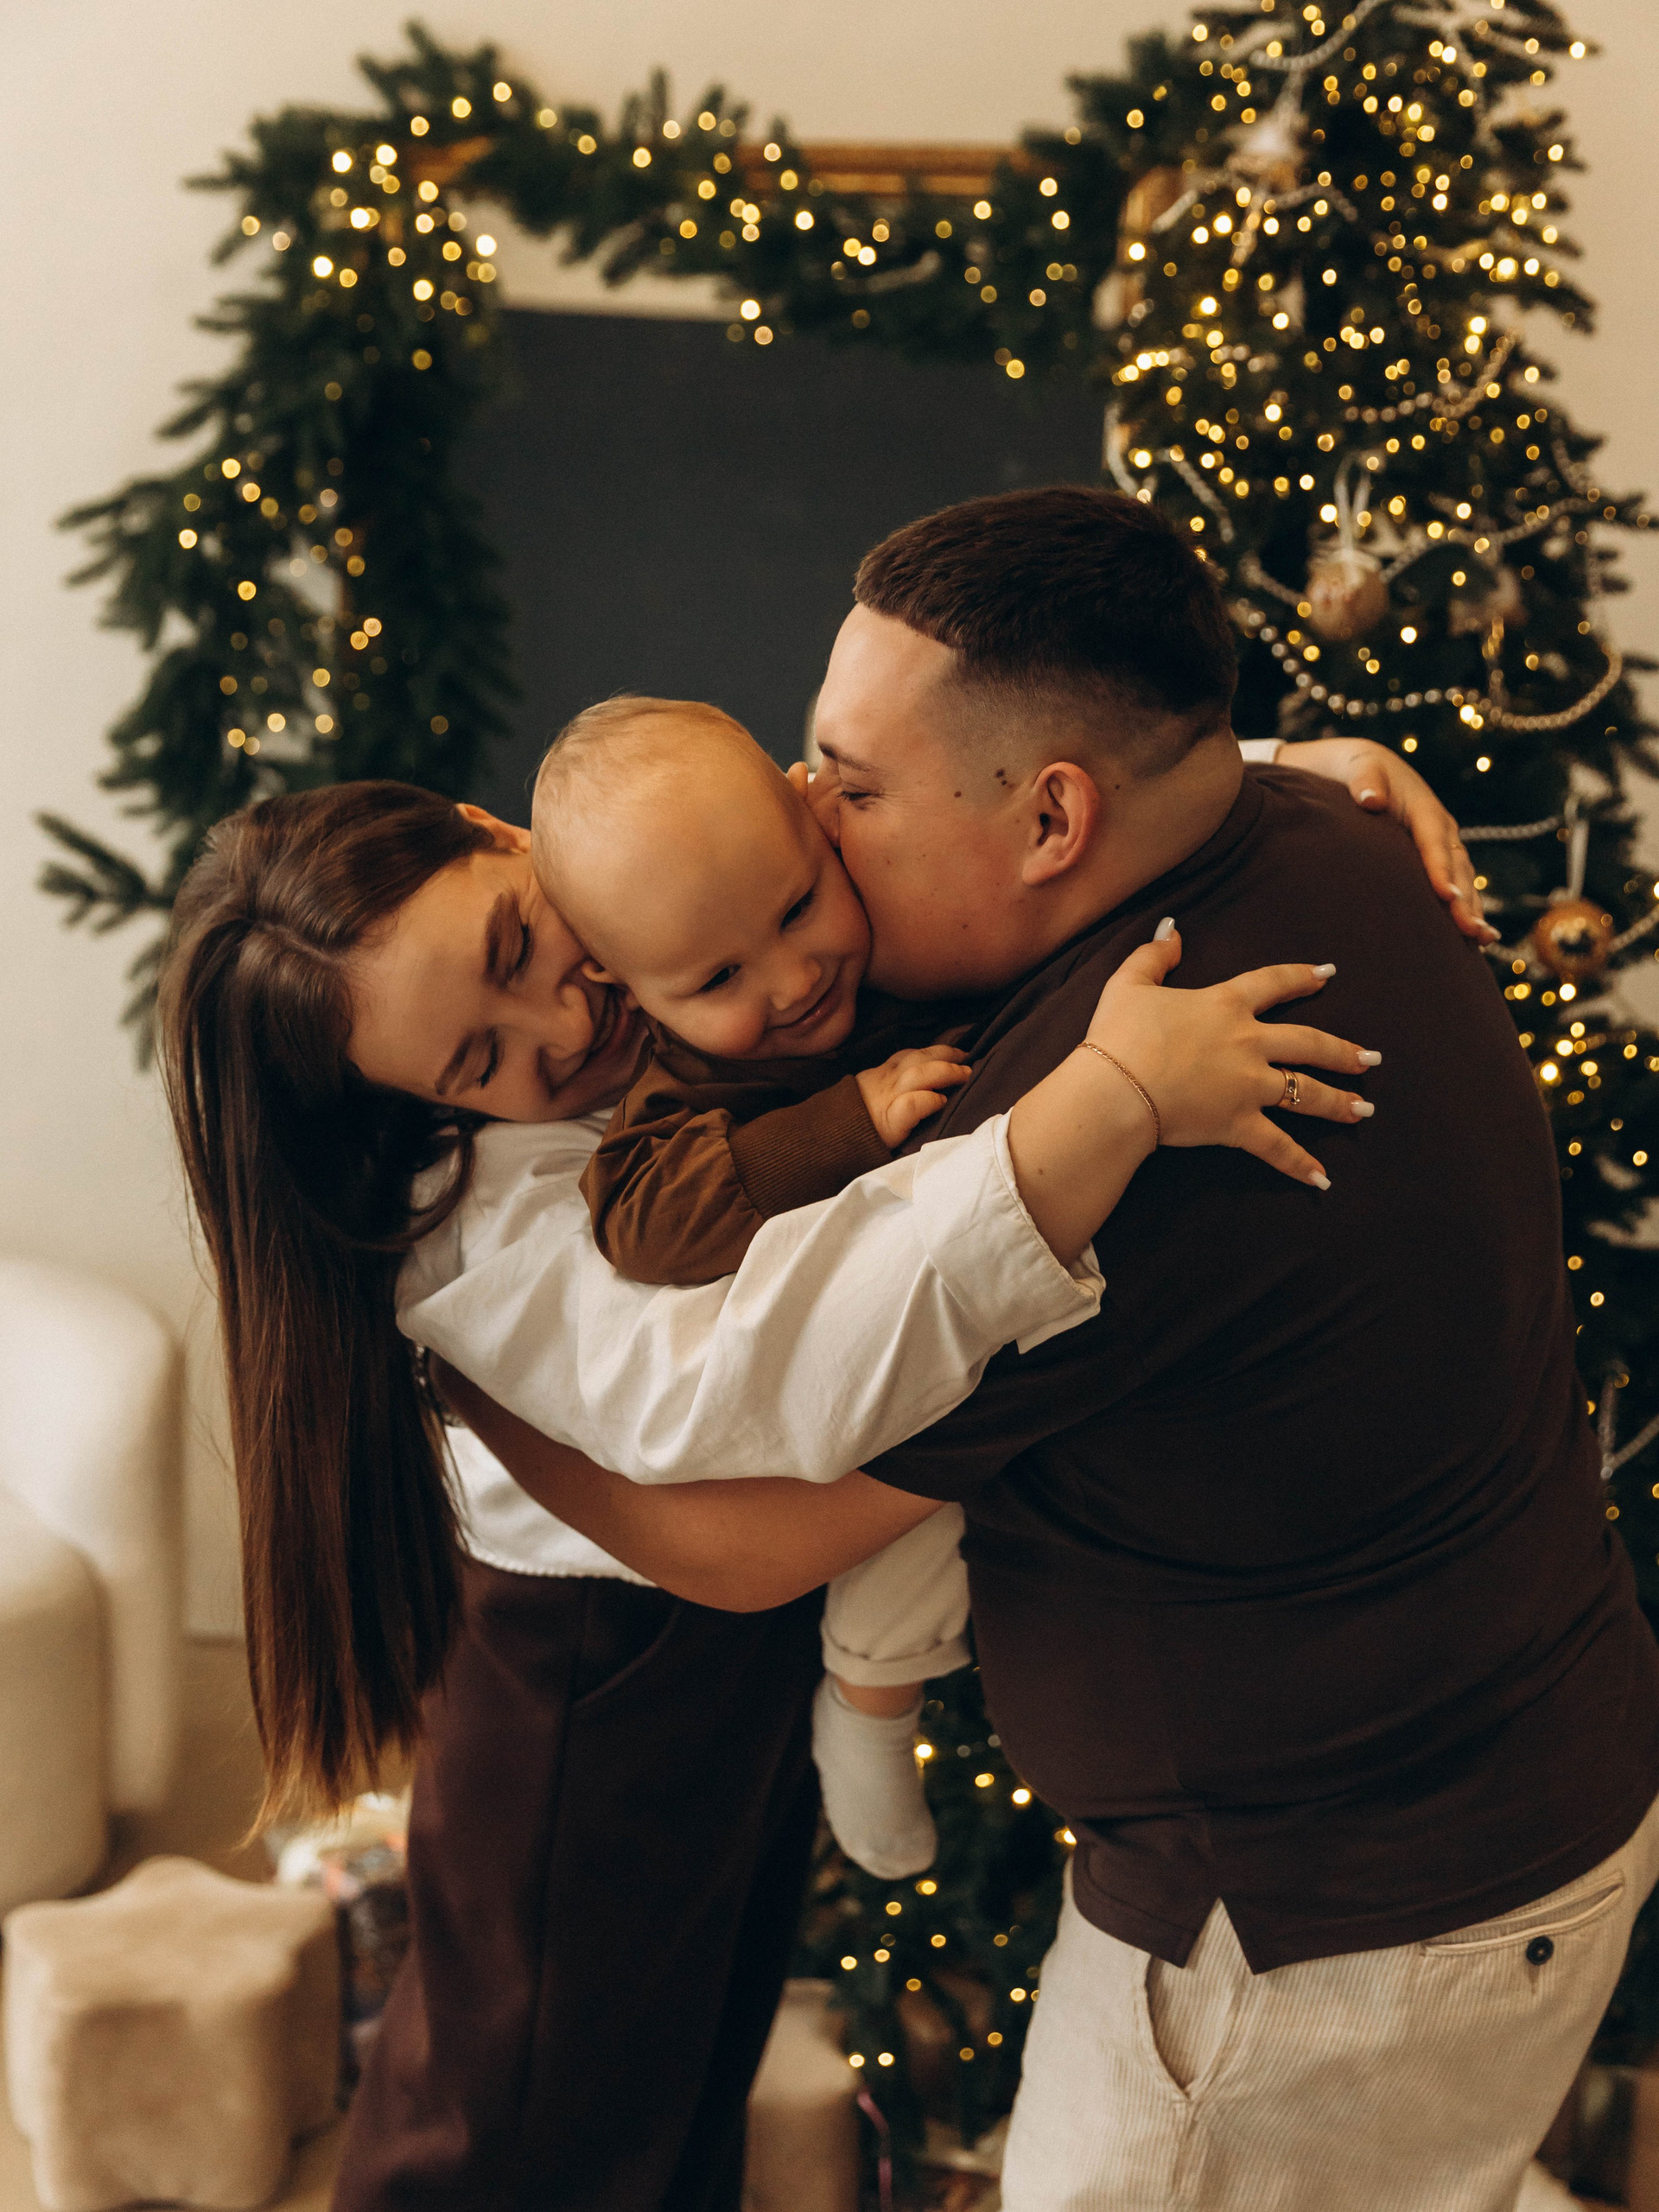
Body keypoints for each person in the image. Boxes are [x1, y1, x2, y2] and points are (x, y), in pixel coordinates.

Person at [435, 485, 1659, 2212]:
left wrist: (448, 1370)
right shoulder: (1304, 840)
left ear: (1054, 817)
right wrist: (1321, 755)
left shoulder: (1130, 1102)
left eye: (851, 782)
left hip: (1316, 1928)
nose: (813, 813)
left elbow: (746, 1535)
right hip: (1489, 1806)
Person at [158, 752, 1389, 2209]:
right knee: (526, 2118)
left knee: (687, 2078)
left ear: (507, 834)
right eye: (479, 1062)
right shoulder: (474, 1218)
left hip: (714, 1649)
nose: (564, 1021)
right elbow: (723, 1403)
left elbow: (951, 789)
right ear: (421, 1104)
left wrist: (1262, 772)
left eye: (517, 945)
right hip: (589, 1677)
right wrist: (1088, 1147)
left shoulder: (669, 872)